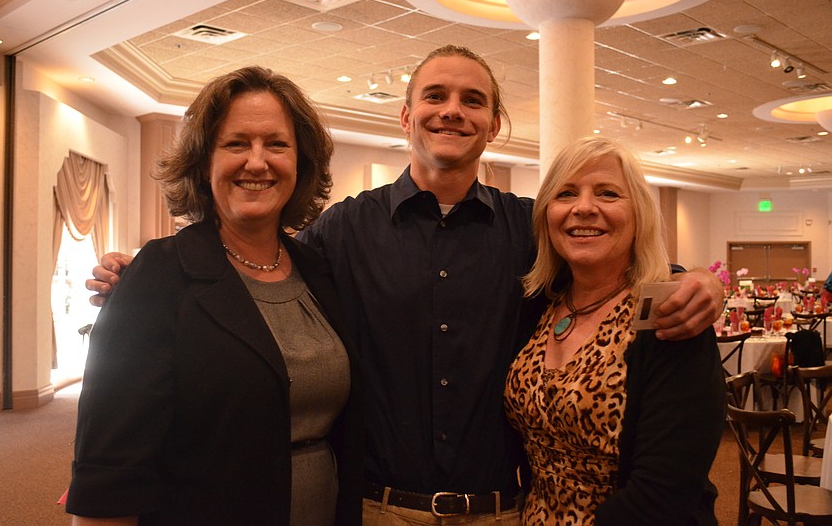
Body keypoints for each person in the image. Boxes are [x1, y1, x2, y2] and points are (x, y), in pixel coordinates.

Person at [86, 46, 723, 525]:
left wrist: (694, 280)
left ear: (494, 123)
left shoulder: (528, 227)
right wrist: (143, 269)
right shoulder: (341, 231)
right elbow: (252, 270)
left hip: (501, 513)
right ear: (405, 116)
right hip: (377, 512)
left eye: (473, 100)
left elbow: (607, 262)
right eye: (436, 96)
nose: (452, 110)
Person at [66, 66, 363, 526]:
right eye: (237, 143)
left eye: (277, 144)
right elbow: (110, 464)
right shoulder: (158, 277)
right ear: (205, 163)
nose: (258, 162)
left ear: (300, 162)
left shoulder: (319, 272)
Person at [504, 137, 725, 526]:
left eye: (608, 193)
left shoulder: (668, 313)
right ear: (546, 215)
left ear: (639, 215)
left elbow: (666, 490)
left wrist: (703, 280)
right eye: (566, 193)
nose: (584, 208)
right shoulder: (539, 305)